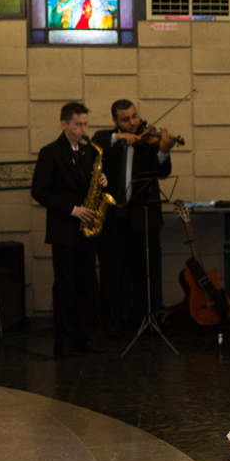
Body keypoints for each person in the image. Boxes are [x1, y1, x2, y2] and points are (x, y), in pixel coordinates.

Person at [31, 102, 110, 357]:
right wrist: (72, 210)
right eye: (78, 125)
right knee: (65, 286)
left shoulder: (89, 152)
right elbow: (39, 191)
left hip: (86, 229)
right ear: (64, 124)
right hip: (64, 228)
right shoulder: (50, 152)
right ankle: (63, 341)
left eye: (86, 124)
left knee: (87, 283)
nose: (83, 130)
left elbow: (89, 186)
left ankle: (84, 337)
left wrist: (102, 182)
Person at [93, 100, 177, 335]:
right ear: (115, 122)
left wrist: (163, 151)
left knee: (145, 271)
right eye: (126, 119)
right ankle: (112, 323)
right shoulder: (106, 139)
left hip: (143, 216)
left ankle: (143, 320)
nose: (133, 123)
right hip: (112, 218)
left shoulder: (149, 139)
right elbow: (93, 144)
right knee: (111, 271)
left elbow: (163, 172)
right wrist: (118, 138)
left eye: (134, 116)